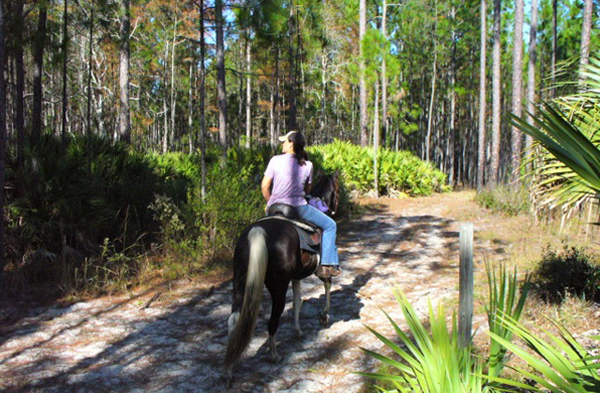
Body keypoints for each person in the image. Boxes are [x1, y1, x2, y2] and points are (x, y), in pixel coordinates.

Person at [261, 131, 341, 279]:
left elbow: (265, 186)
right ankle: (326, 265)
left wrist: (269, 201)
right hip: (297, 208)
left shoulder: (274, 160)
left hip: (274, 207)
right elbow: (307, 190)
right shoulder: (308, 165)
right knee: (330, 225)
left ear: (291, 143)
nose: (282, 144)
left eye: (284, 141)